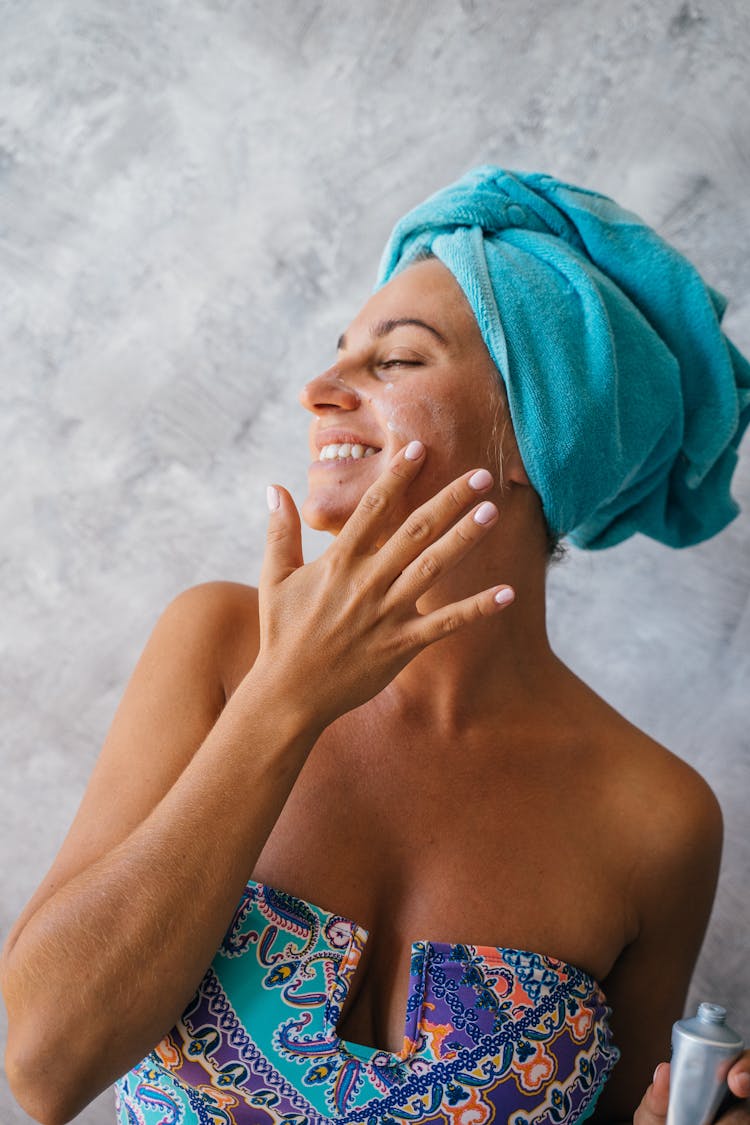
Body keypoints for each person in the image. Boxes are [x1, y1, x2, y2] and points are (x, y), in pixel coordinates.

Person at [2, 167, 750, 1125]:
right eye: (338, 355)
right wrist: (282, 699)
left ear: (534, 435)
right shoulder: (221, 645)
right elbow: (45, 1067)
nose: (319, 391)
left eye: (395, 361)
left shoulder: (658, 819)